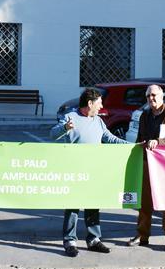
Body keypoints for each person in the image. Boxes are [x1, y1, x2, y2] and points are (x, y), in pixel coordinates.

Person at [50, 87, 129, 257]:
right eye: (99, 103)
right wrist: (65, 127)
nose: (101, 107)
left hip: (94, 171)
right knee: (73, 206)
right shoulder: (70, 117)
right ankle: (70, 241)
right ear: (90, 103)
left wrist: (131, 146)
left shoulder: (98, 121)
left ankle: (94, 239)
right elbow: (52, 135)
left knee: (93, 204)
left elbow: (109, 138)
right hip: (75, 171)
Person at [127, 84, 165, 252]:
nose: (151, 98)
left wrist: (158, 142)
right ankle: (142, 235)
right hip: (146, 163)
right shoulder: (145, 115)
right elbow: (140, 138)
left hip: (164, 165)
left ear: (162, 96)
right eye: (148, 96)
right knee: (144, 202)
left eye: (154, 95)